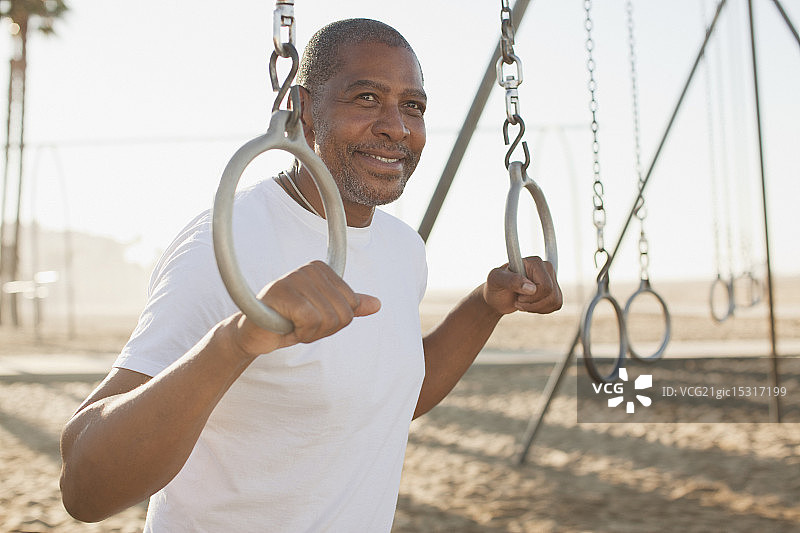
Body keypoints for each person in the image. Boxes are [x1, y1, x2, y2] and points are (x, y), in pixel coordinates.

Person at [59, 18, 561, 532]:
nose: (397, 126)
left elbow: (387, 394)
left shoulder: (402, 248)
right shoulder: (226, 241)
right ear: (302, 109)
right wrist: (237, 341)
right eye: (366, 98)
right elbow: (85, 486)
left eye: (413, 105)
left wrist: (487, 304)